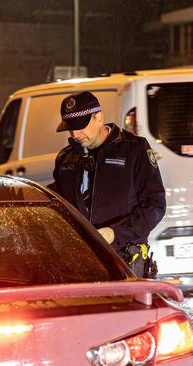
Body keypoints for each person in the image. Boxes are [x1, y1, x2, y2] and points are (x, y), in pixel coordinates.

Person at [48, 91, 166, 278]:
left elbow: (155, 206)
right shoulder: (66, 158)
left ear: (99, 118)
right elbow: (57, 203)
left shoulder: (134, 149)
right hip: (80, 264)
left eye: (81, 126)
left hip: (123, 262)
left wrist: (115, 233)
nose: (75, 134)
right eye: (70, 128)